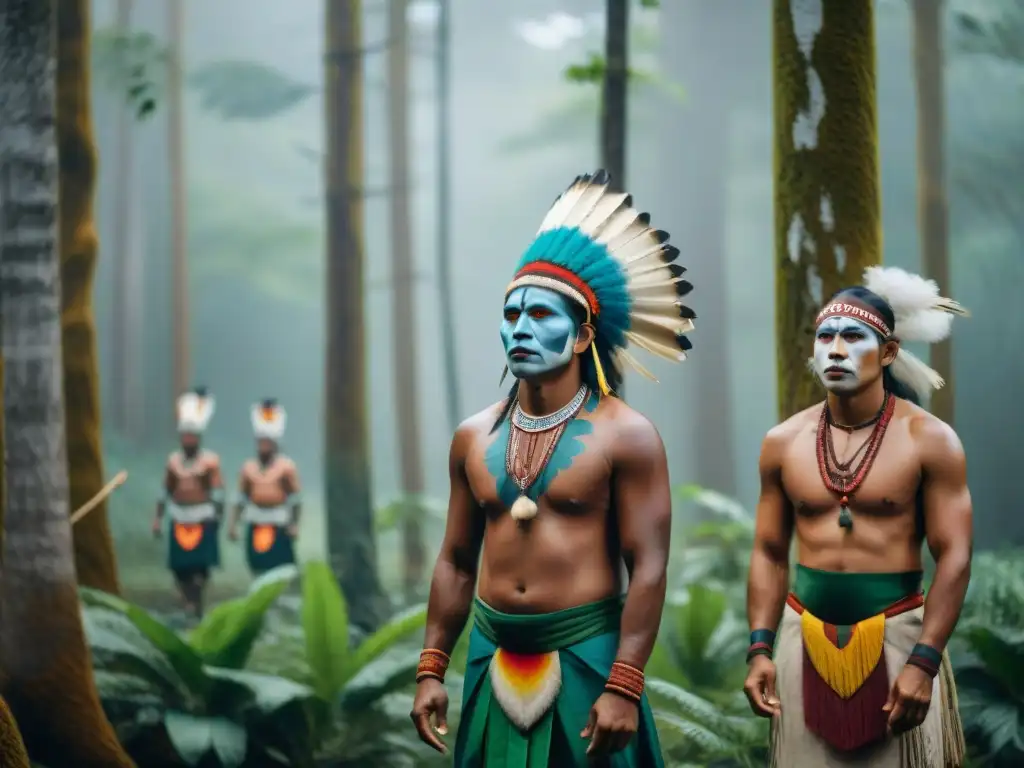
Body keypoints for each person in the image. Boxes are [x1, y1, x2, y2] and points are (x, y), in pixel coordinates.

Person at [410, 170, 695, 767]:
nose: (521, 328)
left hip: (587, 656)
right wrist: (432, 667)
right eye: (511, 315)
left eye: (540, 315)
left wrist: (624, 683)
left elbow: (647, 566)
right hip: (492, 655)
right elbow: (457, 560)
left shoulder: (628, 436)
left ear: (583, 332)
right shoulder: (472, 437)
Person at [744, 267, 972, 767]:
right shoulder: (783, 443)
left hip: (900, 636)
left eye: (853, 336)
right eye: (825, 336)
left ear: (888, 352)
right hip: (800, 635)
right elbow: (768, 551)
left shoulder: (929, 440)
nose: (836, 349)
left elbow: (954, 555)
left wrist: (925, 660)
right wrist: (759, 648)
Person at [153, 387, 224, 618]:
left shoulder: (210, 462)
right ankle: (186, 601)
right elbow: (165, 491)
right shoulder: (173, 461)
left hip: (203, 516)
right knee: (179, 567)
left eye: (192, 436)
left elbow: (217, 492)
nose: (188, 440)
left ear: (199, 438)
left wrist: (218, 518)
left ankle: (196, 601)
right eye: (185, 436)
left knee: (200, 568)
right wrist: (157, 519)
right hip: (179, 516)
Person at [228, 398, 301, 576]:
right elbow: (240, 498)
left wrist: (294, 525)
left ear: (275, 444)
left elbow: (295, 500)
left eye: (267, 442)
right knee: (257, 565)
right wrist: (233, 525)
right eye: (261, 442)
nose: (263, 446)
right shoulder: (248, 467)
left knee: (280, 567)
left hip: (279, 521)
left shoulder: (286, 467)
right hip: (255, 520)